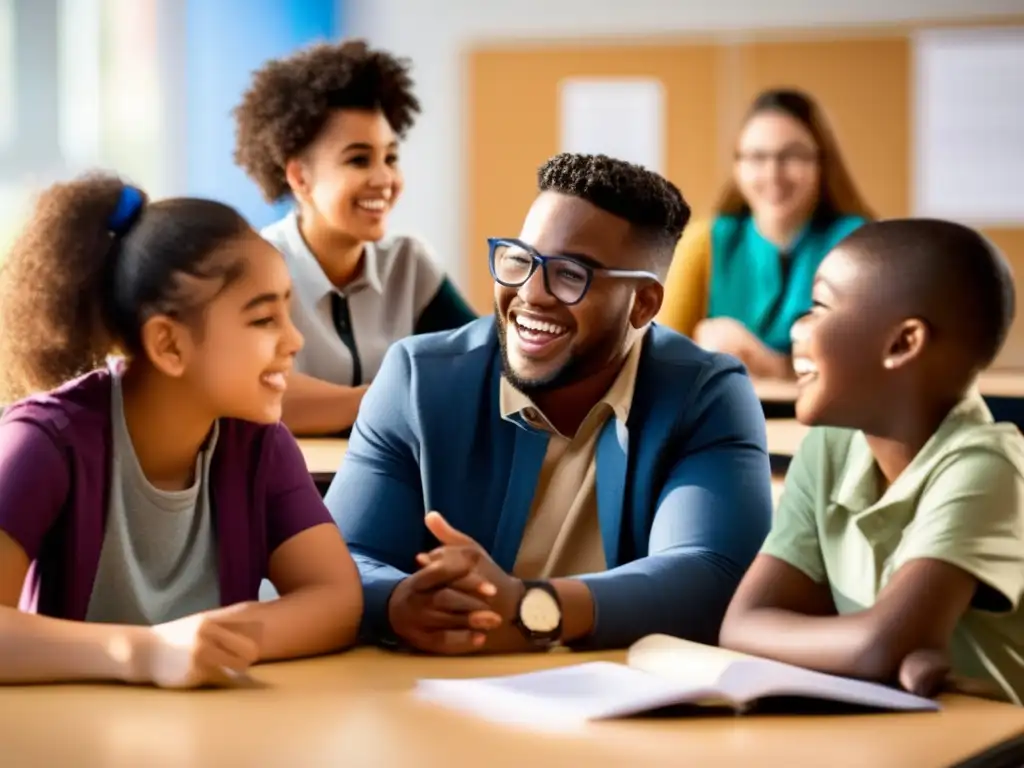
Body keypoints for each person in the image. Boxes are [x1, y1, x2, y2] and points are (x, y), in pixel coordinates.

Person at [328, 153, 774, 655]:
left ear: (644, 303)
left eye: (570, 274)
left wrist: (529, 608)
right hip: (446, 694)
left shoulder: (705, 394)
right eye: (519, 259)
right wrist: (400, 601)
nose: (531, 294)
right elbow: (344, 557)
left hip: (622, 705)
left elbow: (709, 572)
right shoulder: (418, 379)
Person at [0, 175, 363, 688]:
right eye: (264, 320)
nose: (294, 339)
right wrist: (145, 654)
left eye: (288, 310)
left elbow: (336, 599)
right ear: (168, 345)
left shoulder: (260, 443)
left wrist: (221, 641)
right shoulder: (42, 443)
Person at [719, 219, 1024, 704]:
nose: (797, 331)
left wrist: (878, 646)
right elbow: (742, 624)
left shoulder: (987, 464)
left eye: (818, 308)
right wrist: (871, 648)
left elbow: (882, 645)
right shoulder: (829, 447)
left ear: (903, 343)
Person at [233, 40, 476, 436]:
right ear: (299, 177)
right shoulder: (256, 266)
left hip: (395, 486)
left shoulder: (409, 264)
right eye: (359, 159)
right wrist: (390, 398)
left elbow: (481, 367)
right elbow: (256, 392)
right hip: (287, 489)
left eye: (391, 158)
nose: (384, 180)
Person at [657, 89, 872, 379]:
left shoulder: (860, 246)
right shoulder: (702, 244)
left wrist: (770, 365)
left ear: (822, 163)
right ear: (737, 166)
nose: (773, 173)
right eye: (757, 157)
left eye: (792, 155)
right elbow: (659, 360)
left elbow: (866, 364)